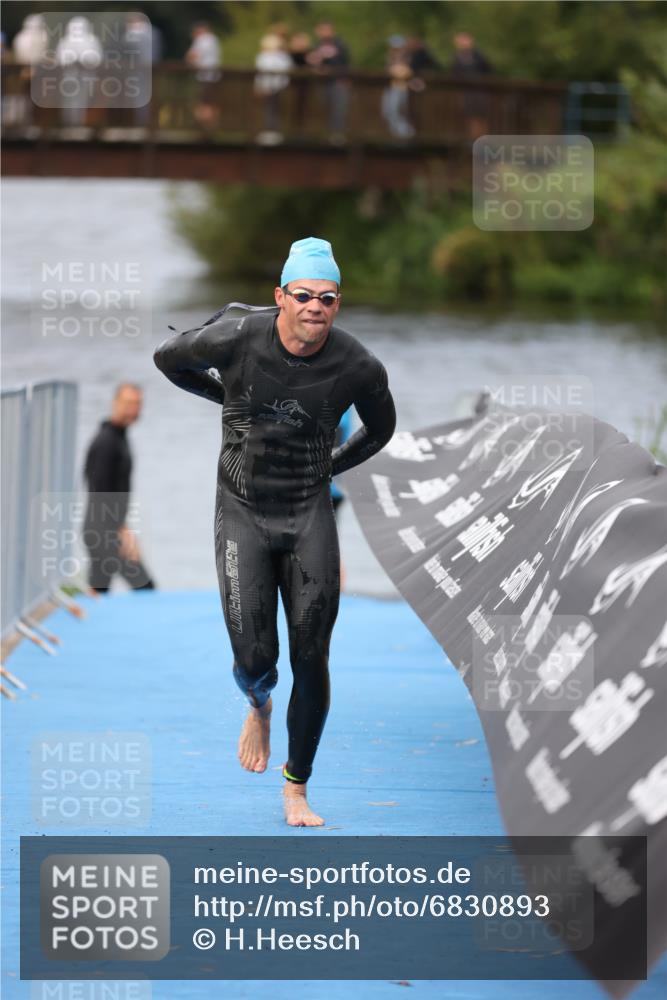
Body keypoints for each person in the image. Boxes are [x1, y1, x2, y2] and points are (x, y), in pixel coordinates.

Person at [154, 237, 396, 826]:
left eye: (328, 298)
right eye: (305, 295)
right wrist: (223, 394)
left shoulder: (357, 365)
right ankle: (257, 702)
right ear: (281, 297)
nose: (316, 306)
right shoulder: (236, 337)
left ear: (338, 304)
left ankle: (296, 788)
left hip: (308, 512)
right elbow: (168, 357)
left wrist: (330, 468)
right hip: (242, 508)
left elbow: (382, 429)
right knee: (256, 656)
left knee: (312, 655)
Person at [83, 383, 156, 593]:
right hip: (104, 530)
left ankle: (87, 617)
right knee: (146, 589)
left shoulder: (118, 437)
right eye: (129, 403)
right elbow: (99, 489)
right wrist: (121, 531)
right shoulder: (107, 441)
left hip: (101, 528)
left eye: (138, 404)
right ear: (115, 404)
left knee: (98, 590)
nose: (134, 409)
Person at [307, 21, 350, 140]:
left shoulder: (340, 44)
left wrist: (330, 69)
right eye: (322, 30)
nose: (324, 32)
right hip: (322, 83)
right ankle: (325, 136)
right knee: (323, 109)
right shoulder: (316, 46)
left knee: (338, 110)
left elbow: (345, 63)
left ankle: (337, 136)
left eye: (327, 29)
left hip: (338, 82)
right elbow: (312, 63)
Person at [254, 33, 292, 144]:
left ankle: (272, 132)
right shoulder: (281, 56)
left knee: (271, 109)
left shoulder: (271, 56)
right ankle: (270, 131)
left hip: (273, 87)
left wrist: (262, 86)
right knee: (270, 109)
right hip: (275, 87)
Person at [185, 22, 222, 129]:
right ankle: (211, 126)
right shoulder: (214, 39)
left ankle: (203, 127)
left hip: (204, 76)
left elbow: (192, 56)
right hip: (214, 76)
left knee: (204, 102)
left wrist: (188, 61)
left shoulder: (203, 39)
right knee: (211, 102)